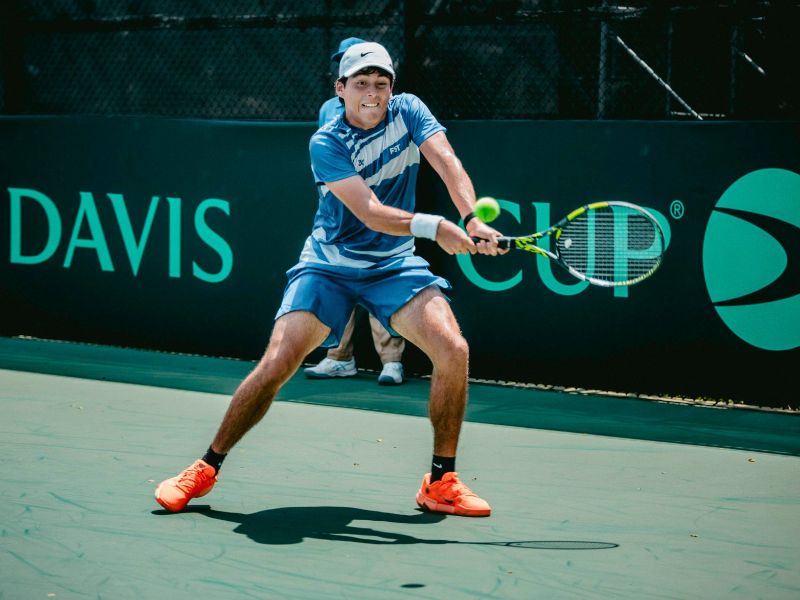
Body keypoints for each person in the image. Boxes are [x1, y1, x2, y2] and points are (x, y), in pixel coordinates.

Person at [155, 41, 506, 518]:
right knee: (279, 361)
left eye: (381, 83)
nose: (373, 93)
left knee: (454, 349)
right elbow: (370, 212)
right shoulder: (328, 141)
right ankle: (205, 467)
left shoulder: (410, 111)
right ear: (340, 89)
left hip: (394, 267)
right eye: (361, 83)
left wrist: (470, 218)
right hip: (328, 266)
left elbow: (447, 162)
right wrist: (435, 227)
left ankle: (441, 481)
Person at [306, 36, 406, 386]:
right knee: (339, 285)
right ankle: (339, 357)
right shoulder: (326, 111)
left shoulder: (392, 108)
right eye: (349, 69)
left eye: (374, 77)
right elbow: (330, 165)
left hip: (383, 212)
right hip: (341, 217)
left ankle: (391, 361)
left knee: (383, 284)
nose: (364, 83)